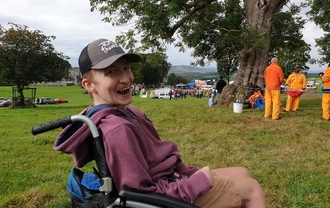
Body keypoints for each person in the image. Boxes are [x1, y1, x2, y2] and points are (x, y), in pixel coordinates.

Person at [54, 38, 265, 208]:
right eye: (112, 72)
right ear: (88, 85)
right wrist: (198, 181)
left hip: (173, 178)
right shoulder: (118, 129)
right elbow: (138, 196)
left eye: (126, 68)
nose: (126, 78)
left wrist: (189, 174)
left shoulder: (124, 112)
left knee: (243, 172)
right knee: (252, 189)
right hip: (167, 195)